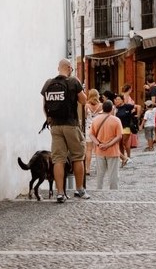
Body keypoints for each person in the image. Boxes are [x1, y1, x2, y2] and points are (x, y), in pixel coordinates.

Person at [41, 59, 90, 203]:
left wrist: (49, 119)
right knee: (77, 156)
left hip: (55, 126)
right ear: (69, 68)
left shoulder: (48, 83)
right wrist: (79, 85)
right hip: (71, 125)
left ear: (58, 68)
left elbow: (45, 105)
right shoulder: (73, 81)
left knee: (58, 159)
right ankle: (80, 189)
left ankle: (60, 193)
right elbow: (84, 100)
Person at [89, 100, 122, 190]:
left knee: (100, 174)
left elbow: (91, 134)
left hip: (99, 151)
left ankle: (99, 190)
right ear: (112, 108)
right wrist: (108, 145)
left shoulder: (95, 120)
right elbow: (119, 136)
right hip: (113, 151)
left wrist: (98, 144)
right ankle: (113, 192)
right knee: (113, 175)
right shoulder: (116, 120)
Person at [84, 89, 103, 177]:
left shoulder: (86, 106)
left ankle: (87, 169)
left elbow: (84, 117)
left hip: (89, 128)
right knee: (98, 149)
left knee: (88, 150)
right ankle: (100, 169)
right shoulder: (101, 106)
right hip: (98, 129)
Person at [114, 94, 135, 167]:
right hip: (119, 128)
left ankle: (128, 156)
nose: (116, 101)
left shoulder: (127, 106)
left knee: (124, 142)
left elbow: (138, 107)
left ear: (122, 100)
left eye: (118, 99)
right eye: (116, 100)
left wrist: (136, 115)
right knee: (120, 144)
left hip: (126, 127)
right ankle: (123, 158)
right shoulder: (116, 109)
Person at [122, 84, 140, 149]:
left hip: (131, 112)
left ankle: (132, 143)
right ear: (129, 89)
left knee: (132, 126)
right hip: (129, 114)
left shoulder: (127, 95)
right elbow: (126, 105)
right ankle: (130, 143)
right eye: (131, 89)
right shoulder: (126, 96)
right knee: (131, 126)